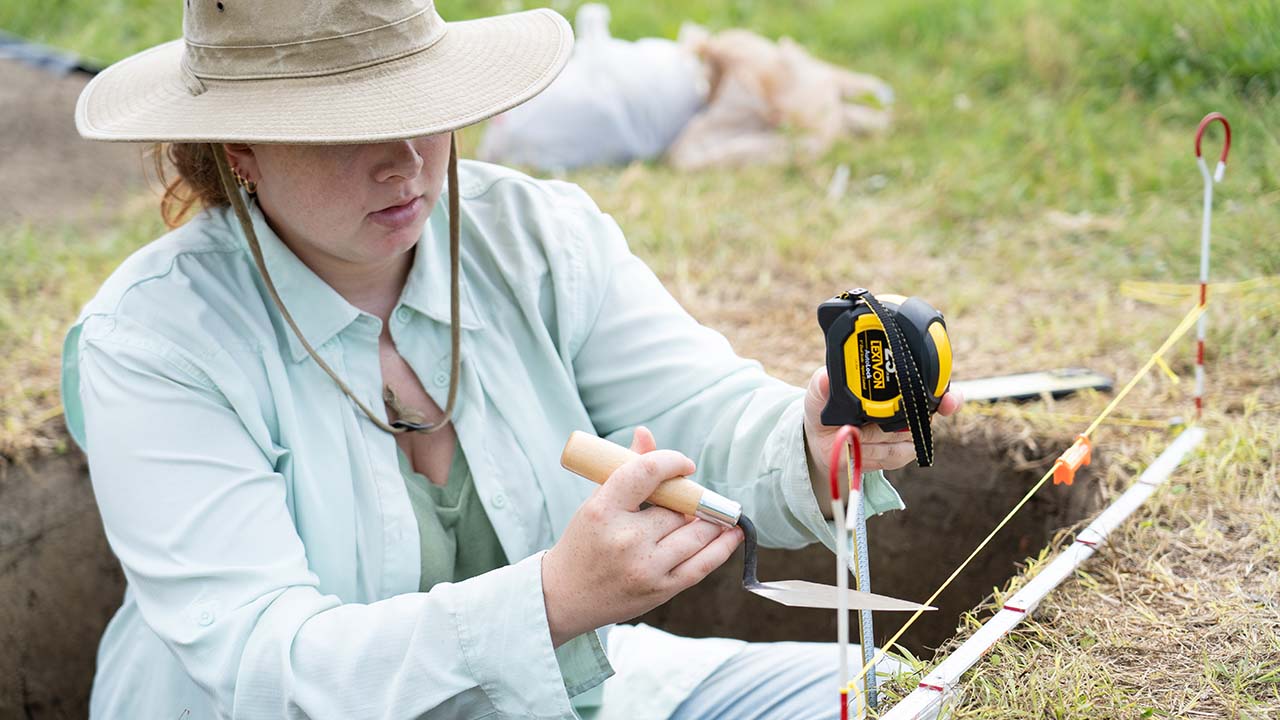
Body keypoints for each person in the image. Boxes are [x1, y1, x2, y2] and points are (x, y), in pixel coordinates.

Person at [63, 1, 962, 718]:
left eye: (425, 111)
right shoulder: (153, 343)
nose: (406, 160)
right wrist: (551, 601)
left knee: (915, 703)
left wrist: (811, 432)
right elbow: (265, 661)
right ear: (240, 150)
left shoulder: (533, 235)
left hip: (572, 698)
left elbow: (701, 409)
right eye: (347, 128)